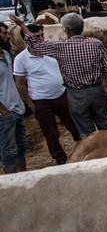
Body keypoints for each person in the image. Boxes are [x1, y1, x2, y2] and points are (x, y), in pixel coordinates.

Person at [9, 12, 107, 139]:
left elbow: (36, 44)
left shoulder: (61, 47)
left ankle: (96, 154)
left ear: (65, 30)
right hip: (96, 90)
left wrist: (22, 24)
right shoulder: (96, 43)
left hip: (75, 94)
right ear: (82, 27)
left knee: (87, 132)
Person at [13, 23, 81, 165]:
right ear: (27, 39)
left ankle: (83, 150)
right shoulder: (21, 59)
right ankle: (60, 160)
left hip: (62, 95)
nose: (40, 38)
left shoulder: (52, 50)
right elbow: (19, 84)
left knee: (75, 125)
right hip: (41, 101)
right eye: (36, 36)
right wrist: (30, 104)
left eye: (41, 34)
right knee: (51, 133)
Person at [0, 22, 27, 174]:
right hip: (5, 113)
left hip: (16, 108)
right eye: (3, 33)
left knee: (21, 147)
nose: (8, 35)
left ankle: (23, 178)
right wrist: (4, 111)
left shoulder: (6, 55)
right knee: (8, 151)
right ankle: (11, 184)